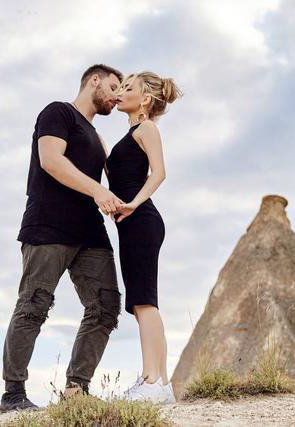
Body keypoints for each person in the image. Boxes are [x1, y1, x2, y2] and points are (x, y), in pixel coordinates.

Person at [0, 64, 126, 412]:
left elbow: (119, 177)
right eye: (113, 86)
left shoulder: (98, 139)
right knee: (33, 304)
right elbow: (51, 161)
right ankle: (13, 394)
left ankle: (76, 391)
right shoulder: (58, 112)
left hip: (90, 232)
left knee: (105, 306)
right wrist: (98, 190)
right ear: (94, 80)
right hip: (48, 224)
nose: (116, 96)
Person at [105, 71, 182, 404]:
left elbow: (159, 172)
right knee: (142, 304)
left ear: (145, 99)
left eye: (128, 88)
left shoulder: (147, 128)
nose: (120, 92)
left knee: (144, 302)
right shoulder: (129, 135)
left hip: (142, 220)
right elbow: (117, 174)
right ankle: (161, 384)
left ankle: (151, 382)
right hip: (132, 224)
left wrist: (134, 203)